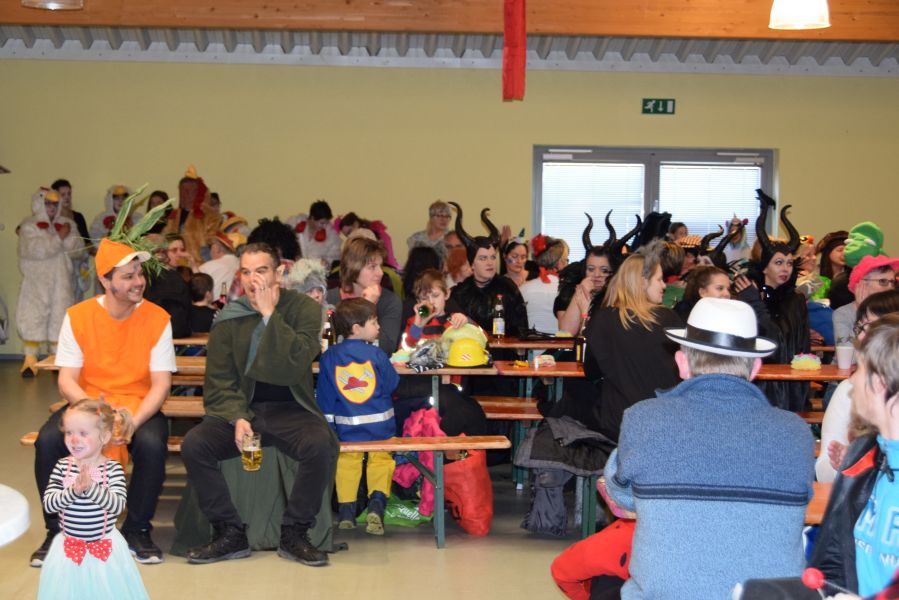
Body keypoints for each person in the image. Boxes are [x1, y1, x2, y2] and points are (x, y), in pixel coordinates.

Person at [605, 297, 815, 599]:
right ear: (755, 368)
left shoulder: (643, 418)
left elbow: (622, 496)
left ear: (682, 363)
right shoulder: (797, 431)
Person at [181, 243, 338, 566]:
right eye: (246, 272)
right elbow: (219, 381)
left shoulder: (304, 309)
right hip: (245, 411)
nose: (253, 280)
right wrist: (237, 417)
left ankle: (294, 532)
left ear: (279, 273)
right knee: (195, 445)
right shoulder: (229, 317)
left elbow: (296, 363)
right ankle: (229, 532)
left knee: (320, 444)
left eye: (262, 270)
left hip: (291, 409)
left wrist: (269, 315)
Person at [33, 237, 176, 567]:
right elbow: (67, 380)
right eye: (127, 276)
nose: (138, 281)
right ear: (105, 280)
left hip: (138, 405)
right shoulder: (79, 316)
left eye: (139, 273)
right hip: (88, 404)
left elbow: (161, 385)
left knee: (151, 443)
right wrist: (97, 416)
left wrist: (131, 421)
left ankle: (137, 530)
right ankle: (57, 531)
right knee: (49, 440)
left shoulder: (157, 319)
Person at [808, 313, 899, 595]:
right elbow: (834, 557)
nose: (852, 382)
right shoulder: (864, 456)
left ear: (879, 383)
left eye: (859, 369)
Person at [37, 398, 148, 600]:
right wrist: (73, 491)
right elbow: (50, 505)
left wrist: (92, 488)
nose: (74, 439)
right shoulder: (62, 467)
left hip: (104, 550)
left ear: (104, 436)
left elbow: (117, 506)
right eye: (69, 432)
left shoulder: (112, 469)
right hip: (68, 550)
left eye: (83, 433)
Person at [316, 298, 400, 535]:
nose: (379, 327)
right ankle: (376, 507)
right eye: (373, 322)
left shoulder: (329, 357)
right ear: (356, 328)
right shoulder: (377, 354)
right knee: (381, 462)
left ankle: (346, 513)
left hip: (347, 430)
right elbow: (392, 384)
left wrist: (330, 427)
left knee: (347, 464)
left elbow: (325, 399)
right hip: (381, 428)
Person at [584, 252, 683, 442]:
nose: (664, 285)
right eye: (659, 279)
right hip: (667, 421)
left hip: (620, 423)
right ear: (643, 282)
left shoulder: (603, 319)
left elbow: (591, 371)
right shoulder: (669, 319)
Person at [815, 289, 899, 483]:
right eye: (860, 327)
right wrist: (843, 464)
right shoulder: (849, 389)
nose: (861, 337)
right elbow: (823, 469)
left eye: (872, 327)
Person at [746, 191, 810, 412]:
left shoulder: (795, 300)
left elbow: (801, 346)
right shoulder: (749, 297)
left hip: (790, 387)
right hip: (758, 385)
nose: (785, 269)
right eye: (779, 262)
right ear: (764, 267)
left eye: (789, 263)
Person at [16, 187, 85, 376]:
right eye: (47, 203)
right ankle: (30, 359)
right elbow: (34, 250)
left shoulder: (68, 224)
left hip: (61, 281)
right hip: (36, 282)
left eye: (55, 203)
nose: (52, 207)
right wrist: (58, 238)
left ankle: (56, 357)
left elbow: (78, 250)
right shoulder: (29, 226)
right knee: (32, 316)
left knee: (59, 316)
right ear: (39, 203)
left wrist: (67, 237)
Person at [447, 203, 528, 339]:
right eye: (483, 258)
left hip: (504, 350)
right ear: (472, 264)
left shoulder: (508, 288)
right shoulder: (460, 293)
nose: (490, 262)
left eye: (492, 257)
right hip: (470, 350)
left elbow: (522, 329)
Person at [325, 237, 403, 355]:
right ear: (353, 268)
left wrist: (368, 307)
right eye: (372, 267)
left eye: (381, 266)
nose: (381, 273)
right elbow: (325, 347)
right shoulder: (329, 300)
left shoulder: (390, 301)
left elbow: (385, 349)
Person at [832, 254, 898, 344]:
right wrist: (862, 313)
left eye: (893, 282)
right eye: (883, 281)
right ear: (862, 284)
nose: (890, 287)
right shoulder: (843, 313)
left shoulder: (895, 309)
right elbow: (847, 349)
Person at [52, 179, 92, 301]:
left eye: (69, 194)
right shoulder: (50, 217)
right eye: (63, 194)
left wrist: (98, 249)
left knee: (76, 304)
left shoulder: (78, 217)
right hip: (57, 268)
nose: (67, 197)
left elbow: (87, 241)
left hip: (77, 269)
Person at [520, 234, 569, 334]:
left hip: (529, 343)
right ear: (560, 262)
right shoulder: (568, 290)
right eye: (566, 260)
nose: (567, 264)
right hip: (561, 343)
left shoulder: (523, 289)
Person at [288, 200, 342, 267]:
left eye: (326, 223)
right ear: (312, 218)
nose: (324, 226)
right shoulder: (295, 225)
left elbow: (333, 258)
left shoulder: (331, 236)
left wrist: (324, 263)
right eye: (322, 223)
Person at [406, 200, 453, 265]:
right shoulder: (416, 238)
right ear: (431, 217)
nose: (444, 219)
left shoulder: (453, 239)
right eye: (439, 216)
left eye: (447, 216)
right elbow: (412, 263)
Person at [199, 231, 240, 299]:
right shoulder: (242, 263)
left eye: (210, 247)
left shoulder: (207, 267)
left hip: (214, 305)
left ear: (216, 248)